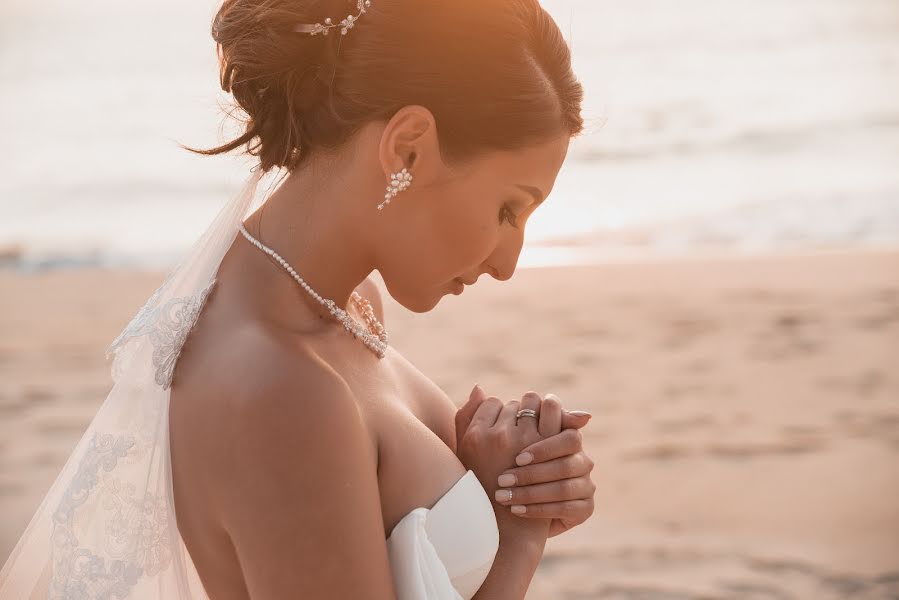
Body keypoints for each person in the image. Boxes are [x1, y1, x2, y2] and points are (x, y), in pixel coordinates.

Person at [0, 0, 596, 598]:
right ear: (408, 147)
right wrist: (517, 537)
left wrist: (511, 483)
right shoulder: (279, 391)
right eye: (506, 209)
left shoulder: (345, 305)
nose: (507, 263)